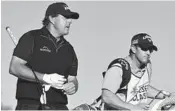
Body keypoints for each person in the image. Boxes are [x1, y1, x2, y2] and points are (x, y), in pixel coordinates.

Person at [9, 2, 79, 110]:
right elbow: (15, 67)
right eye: (65, 17)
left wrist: (73, 86)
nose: (70, 21)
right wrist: (46, 78)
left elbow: (72, 78)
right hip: (30, 105)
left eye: (70, 18)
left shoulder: (69, 49)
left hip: (60, 107)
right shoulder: (31, 38)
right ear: (51, 18)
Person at [101, 33, 172, 110]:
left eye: (150, 50)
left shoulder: (147, 65)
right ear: (133, 48)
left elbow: (141, 88)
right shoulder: (118, 68)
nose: (148, 53)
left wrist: (165, 96)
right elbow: (106, 96)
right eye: (144, 49)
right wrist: (133, 108)